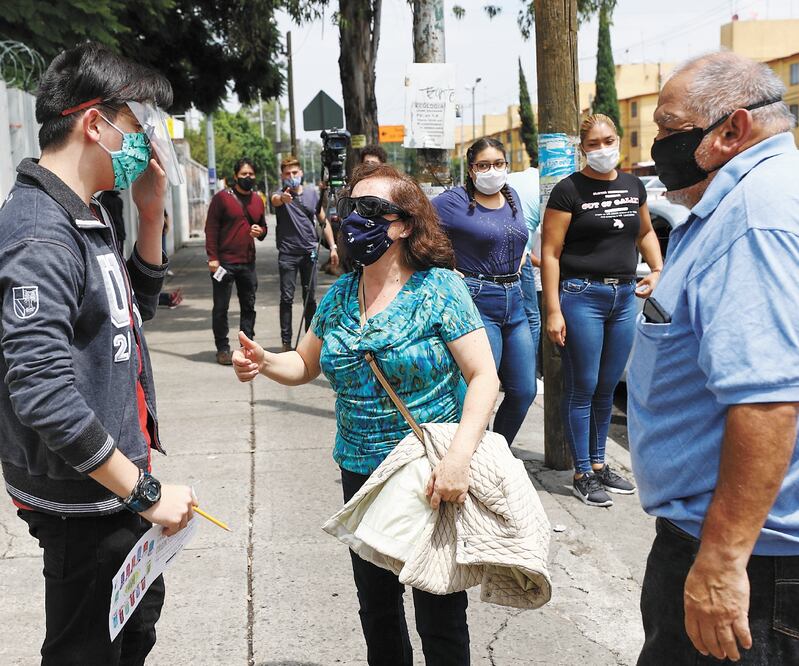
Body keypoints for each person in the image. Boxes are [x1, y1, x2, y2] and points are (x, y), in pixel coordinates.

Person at [234, 163, 499, 664]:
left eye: (371, 210)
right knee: (376, 609)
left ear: (403, 224)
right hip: (359, 471)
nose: (356, 219)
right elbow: (305, 364)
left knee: (438, 610)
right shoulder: (339, 296)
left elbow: (484, 376)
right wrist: (266, 361)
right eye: (351, 207)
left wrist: (459, 459)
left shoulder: (439, 288)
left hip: (426, 471)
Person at [0, 42, 195, 665]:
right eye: (140, 127)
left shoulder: (89, 211)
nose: (148, 143)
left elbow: (127, 311)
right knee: (86, 648)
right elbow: (41, 391)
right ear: (96, 122)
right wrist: (142, 491)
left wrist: (149, 216)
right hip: (81, 493)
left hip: (112, 478)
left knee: (133, 628)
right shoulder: (39, 231)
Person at [628, 51, 799, 665]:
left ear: (731, 129)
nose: (657, 146)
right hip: (744, 549)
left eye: (669, 128)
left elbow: (769, 401)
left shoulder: (757, 217)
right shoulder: (751, 197)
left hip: (749, 562)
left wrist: (723, 561)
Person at [540, 113, 662, 508]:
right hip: (581, 296)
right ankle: (582, 473)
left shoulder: (632, 185)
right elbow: (550, 253)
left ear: (618, 141)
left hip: (624, 296)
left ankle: (599, 462)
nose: (602, 149)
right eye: (593, 144)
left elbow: (644, 231)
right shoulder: (568, 190)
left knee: (608, 387)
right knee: (583, 385)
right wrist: (554, 310)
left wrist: (658, 269)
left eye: (608, 141)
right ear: (582, 148)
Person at [432, 138, 535, 446]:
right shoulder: (452, 201)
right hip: (477, 300)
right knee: (482, 393)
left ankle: (493, 452)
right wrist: (444, 269)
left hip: (515, 299)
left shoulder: (512, 195)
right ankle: (471, 457)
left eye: (499, 164)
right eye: (484, 165)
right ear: (471, 168)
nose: (493, 171)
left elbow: (519, 241)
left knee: (524, 390)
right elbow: (418, 229)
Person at [271, 156, 338, 351]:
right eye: (287, 174)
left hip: (309, 253)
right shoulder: (279, 194)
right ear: (282, 176)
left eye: (294, 173)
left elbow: (323, 222)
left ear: (300, 173)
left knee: (310, 299)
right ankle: (286, 343)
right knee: (286, 298)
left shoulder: (312, 194)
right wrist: (283, 199)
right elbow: (276, 200)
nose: (291, 176)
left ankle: (310, 343)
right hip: (288, 255)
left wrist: (333, 247)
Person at [205, 158, 268, 365]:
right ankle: (222, 348)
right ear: (235, 176)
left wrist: (260, 232)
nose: (247, 178)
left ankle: (247, 346)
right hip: (224, 263)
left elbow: (263, 227)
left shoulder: (258, 200)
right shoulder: (222, 198)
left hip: (248, 262)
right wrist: (212, 258)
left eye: (250, 174)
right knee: (221, 308)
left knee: (248, 306)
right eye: (243, 174)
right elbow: (211, 228)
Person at [506, 166, 542, 380]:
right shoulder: (553, 185)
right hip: (520, 255)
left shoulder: (521, 176)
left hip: (495, 249)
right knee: (531, 317)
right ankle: (528, 374)